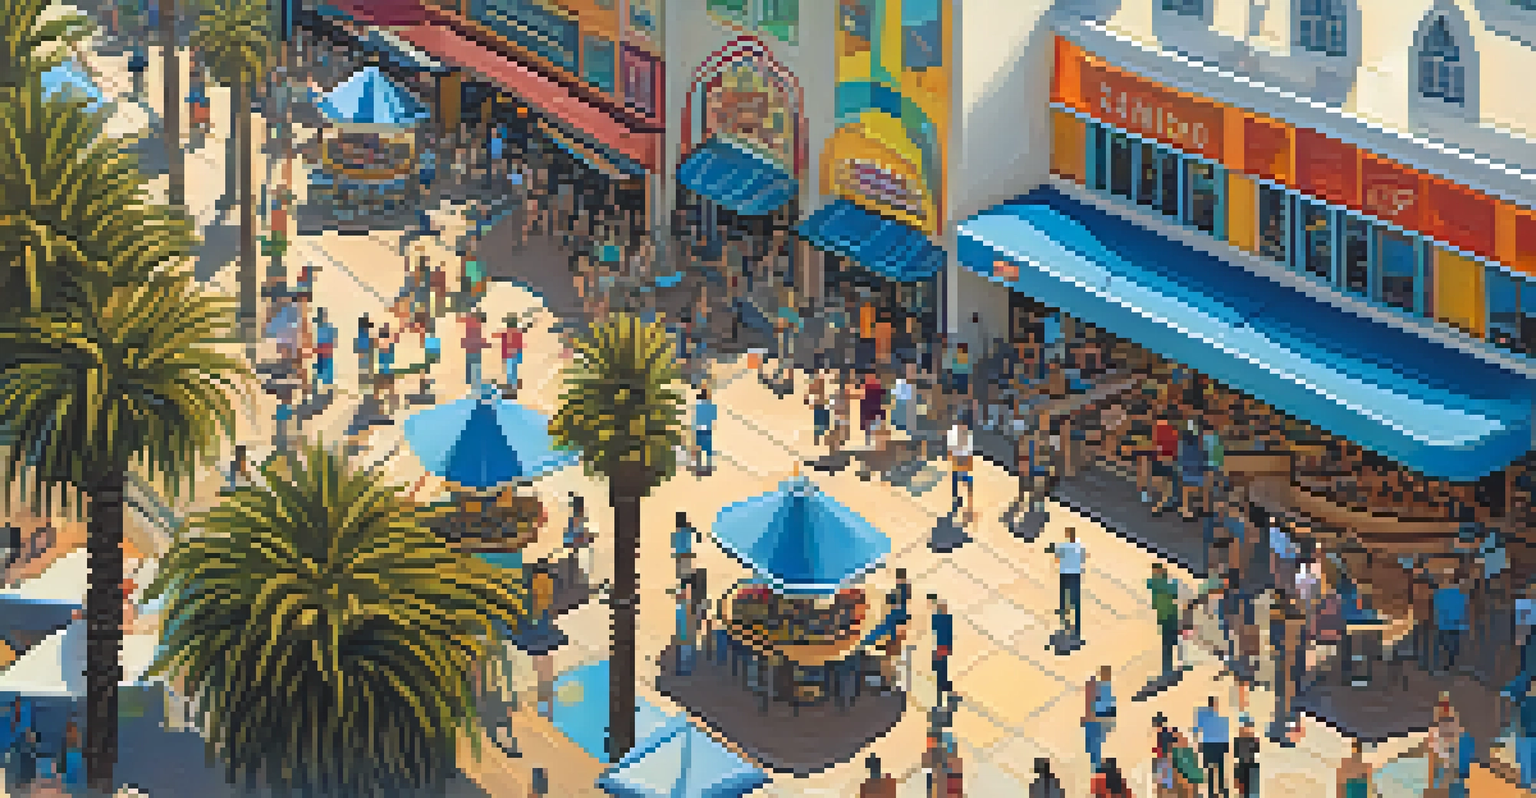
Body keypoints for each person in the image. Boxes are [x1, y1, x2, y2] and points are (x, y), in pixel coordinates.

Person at [1050, 527, 1086, 639]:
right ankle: (1077, 623)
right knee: (1076, 598)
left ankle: (1063, 610)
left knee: (1063, 593)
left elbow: (1057, 558)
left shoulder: (1063, 546)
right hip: (1076, 573)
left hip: (1065, 572)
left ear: (1067, 535)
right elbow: (1083, 558)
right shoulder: (1080, 545)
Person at [1149, 562, 1183, 678]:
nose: (1155, 574)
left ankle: (1169, 667)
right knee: (1169, 643)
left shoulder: (1156, 584)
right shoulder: (1160, 584)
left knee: (1170, 642)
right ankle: (1168, 668)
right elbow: (1174, 592)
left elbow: (1174, 593)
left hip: (1169, 616)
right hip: (1167, 616)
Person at [1194, 695, 1230, 798]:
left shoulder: (1204, 717)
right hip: (1215, 744)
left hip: (1210, 744)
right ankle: (1218, 789)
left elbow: (1197, 729)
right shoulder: (1207, 717)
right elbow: (1223, 731)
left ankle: (1213, 790)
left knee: (1214, 768)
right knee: (1217, 768)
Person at [1083, 664, 1117, 772]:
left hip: (1097, 720)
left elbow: (1104, 707)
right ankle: (1096, 766)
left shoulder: (1104, 688)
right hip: (1098, 719)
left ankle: (1096, 767)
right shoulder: (1104, 688)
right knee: (1093, 746)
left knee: (1093, 745)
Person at [948, 418, 975, 514]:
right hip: (957, 458)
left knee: (964, 479)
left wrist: (968, 463)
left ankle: (963, 501)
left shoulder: (967, 435)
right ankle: (956, 501)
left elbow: (969, 450)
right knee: (955, 481)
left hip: (963, 458)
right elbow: (950, 448)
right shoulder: (953, 433)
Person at [930, 594, 953, 705]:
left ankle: (941, 685)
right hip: (940, 647)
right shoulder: (942, 618)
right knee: (941, 666)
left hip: (940, 647)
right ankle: (942, 685)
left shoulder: (938, 619)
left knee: (941, 666)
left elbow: (948, 634)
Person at [496, 314, 526, 390]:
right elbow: (520, 344)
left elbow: (495, 335)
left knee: (510, 371)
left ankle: (512, 386)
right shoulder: (518, 333)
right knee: (513, 370)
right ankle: (513, 385)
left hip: (509, 354)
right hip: (515, 353)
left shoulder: (506, 333)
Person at [1233, 715, 1260, 798]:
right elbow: (1236, 756)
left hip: (1252, 767)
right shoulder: (1238, 740)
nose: (1248, 729)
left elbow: (1257, 753)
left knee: (1253, 791)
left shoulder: (1254, 740)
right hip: (1242, 767)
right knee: (1243, 791)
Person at [312, 307, 337, 392]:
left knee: (325, 373)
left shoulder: (328, 328)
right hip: (321, 353)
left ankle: (327, 389)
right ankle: (320, 388)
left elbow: (333, 342)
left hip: (325, 353)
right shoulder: (318, 328)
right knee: (320, 372)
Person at [462, 311, 489, 388]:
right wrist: (485, 344)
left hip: (469, 348)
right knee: (476, 365)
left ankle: (469, 381)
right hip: (475, 349)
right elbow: (477, 339)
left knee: (469, 364)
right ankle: (475, 382)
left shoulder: (469, 322)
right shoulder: (477, 326)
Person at [694, 387, 717, 474]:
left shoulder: (698, 405)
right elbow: (713, 417)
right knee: (708, 449)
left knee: (699, 449)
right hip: (707, 429)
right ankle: (708, 467)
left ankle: (698, 467)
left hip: (699, 429)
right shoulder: (710, 406)